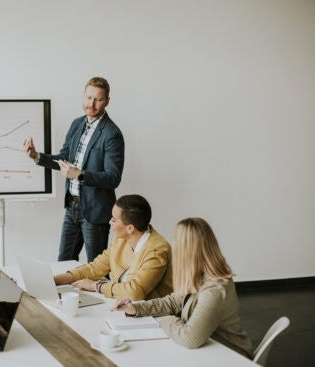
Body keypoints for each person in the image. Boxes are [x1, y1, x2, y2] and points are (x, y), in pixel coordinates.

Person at [112, 218, 253, 359]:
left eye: (176, 241)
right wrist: (137, 309)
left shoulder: (215, 290)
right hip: (209, 349)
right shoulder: (199, 274)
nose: (173, 246)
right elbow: (174, 302)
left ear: (187, 250)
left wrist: (160, 318)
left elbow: (189, 338)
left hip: (230, 357)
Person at [23, 77, 124, 262]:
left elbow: (113, 178)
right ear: (83, 96)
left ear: (107, 101)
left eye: (98, 99)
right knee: (64, 263)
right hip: (72, 207)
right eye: (88, 97)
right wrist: (36, 156)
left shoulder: (112, 134)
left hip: (95, 212)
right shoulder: (77, 124)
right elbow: (63, 161)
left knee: (96, 269)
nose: (91, 104)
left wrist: (80, 175)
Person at [54, 194, 172, 300]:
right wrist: (54, 280)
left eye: (114, 220)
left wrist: (95, 286)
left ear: (130, 228)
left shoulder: (157, 251)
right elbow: (94, 268)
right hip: (122, 306)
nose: (110, 222)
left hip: (150, 316)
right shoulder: (121, 240)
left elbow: (134, 293)